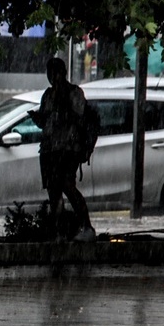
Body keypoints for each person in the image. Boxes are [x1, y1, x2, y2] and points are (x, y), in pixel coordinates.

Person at [29, 57, 94, 242]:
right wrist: (39, 118)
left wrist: (62, 109)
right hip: (49, 149)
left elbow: (79, 118)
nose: (53, 78)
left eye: (56, 73)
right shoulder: (48, 95)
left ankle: (86, 226)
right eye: (50, 74)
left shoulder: (74, 93)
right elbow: (45, 122)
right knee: (53, 191)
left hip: (68, 148)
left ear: (63, 73)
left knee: (68, 185)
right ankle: (59, 232)